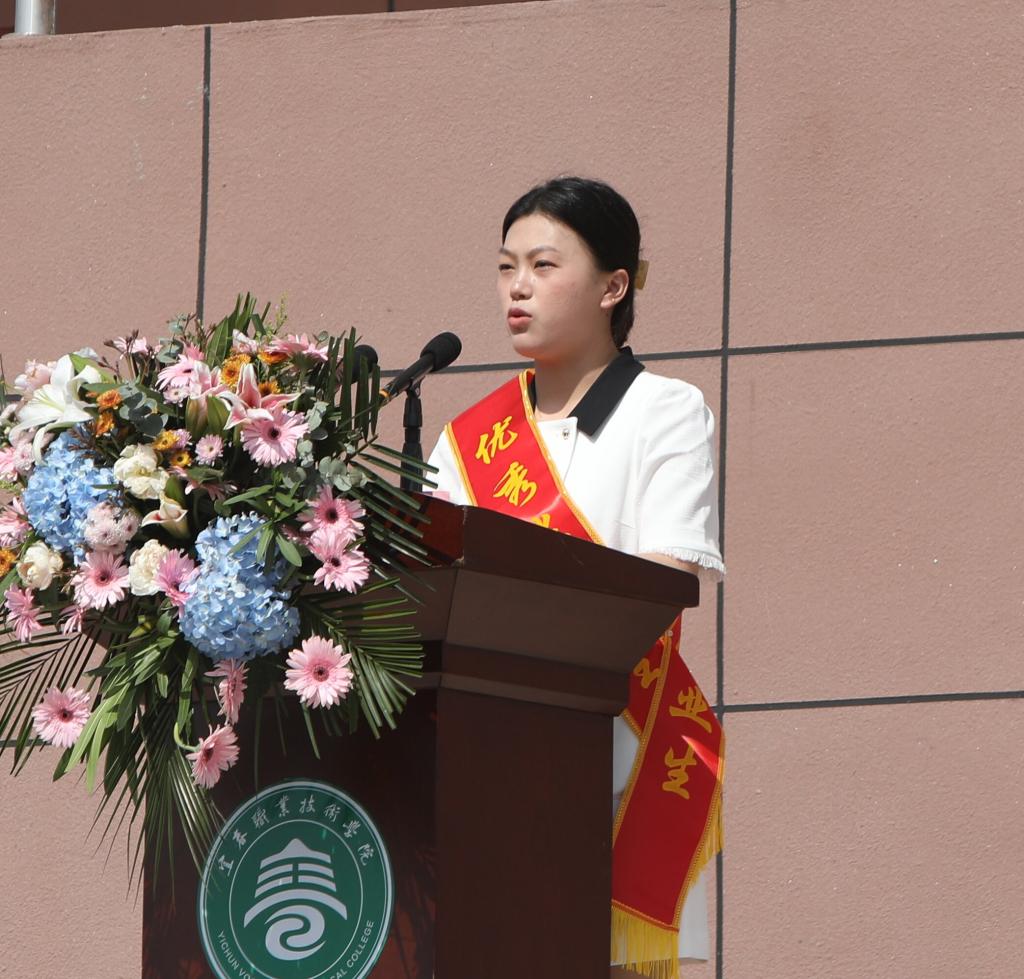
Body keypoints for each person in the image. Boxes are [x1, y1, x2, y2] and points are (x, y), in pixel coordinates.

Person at [426, 176, 725, 979]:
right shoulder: (466, 441)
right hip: (485, 757)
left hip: (618, 745)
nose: (517, 287)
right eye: (506, 267)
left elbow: (665, 577)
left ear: (613, 286)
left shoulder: (665, 410)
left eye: (544, 265)